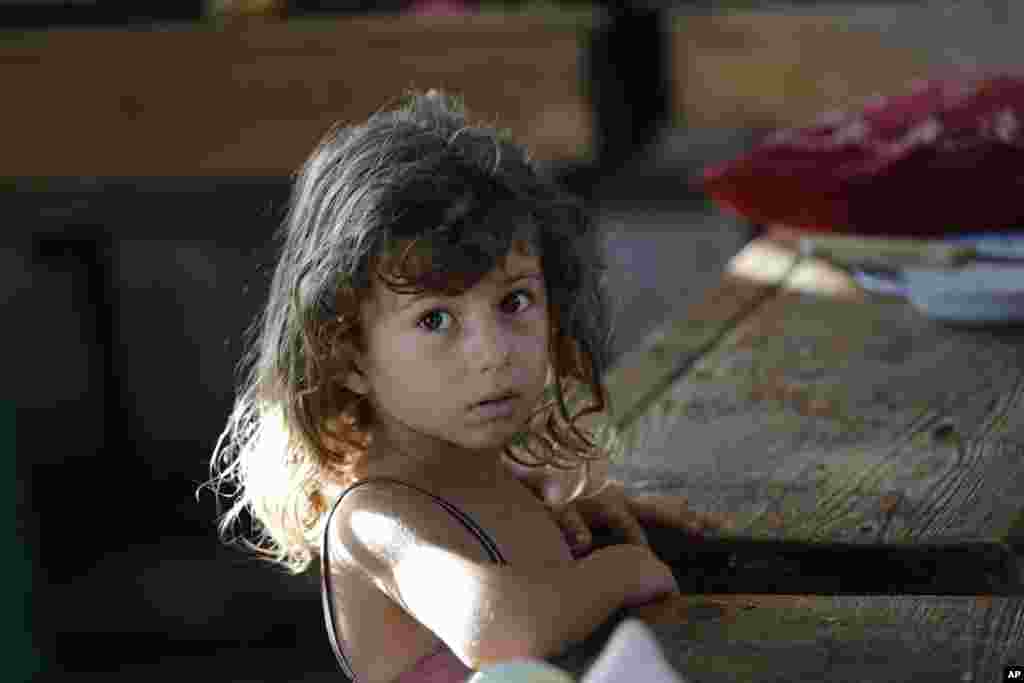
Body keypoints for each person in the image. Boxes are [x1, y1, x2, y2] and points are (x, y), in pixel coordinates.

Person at [202, 89, 721, 683]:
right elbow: (503, 631)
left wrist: (580, 525)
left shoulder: (487, 473)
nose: (493, 353)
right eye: (435, 320)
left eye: (514, 301)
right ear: (346, 355)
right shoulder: (375, 521)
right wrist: (619, 572)